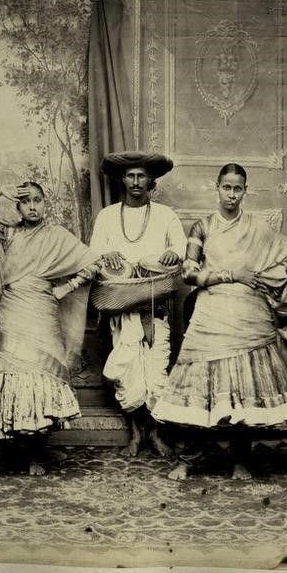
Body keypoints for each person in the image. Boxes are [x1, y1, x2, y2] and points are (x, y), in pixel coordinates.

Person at [151, 163, 287, 480]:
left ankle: (240, 460)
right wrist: (230, 274)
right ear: (217, 187)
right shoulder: (202, 227)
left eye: (238, 188)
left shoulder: (258, 228)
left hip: (250, 315)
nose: (232, 194)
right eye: (226, 187)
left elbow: (285, 258)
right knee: (197, 391)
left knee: (245, 393)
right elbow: (188, 272)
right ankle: (189, 460)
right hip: (211, 315)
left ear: (245, 191)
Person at [0, 181, 101, 481]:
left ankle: (36, 452)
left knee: (42, 379)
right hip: (13, 313)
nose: (33, 206)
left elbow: (93, 263)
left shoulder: (56, 236)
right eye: (26, 202)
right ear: (18, 207)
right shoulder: (8, 232)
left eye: (38, 200)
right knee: (6, 378)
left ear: (45, 203)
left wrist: (68, 286)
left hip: (43, 313)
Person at [90, 151, 187, 457]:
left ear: (151, 181)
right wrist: (106, 256)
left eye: (141, 176)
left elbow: (181, 247)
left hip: (155, 308)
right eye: (130, 176)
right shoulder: (107, 216)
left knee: (157, 376)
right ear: (122, 180)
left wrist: (173, 253)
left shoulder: (165, 215)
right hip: (121, 310)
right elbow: (93, 254)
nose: (135, 182)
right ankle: (135, 433)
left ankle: (156, 434)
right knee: (128, 377)